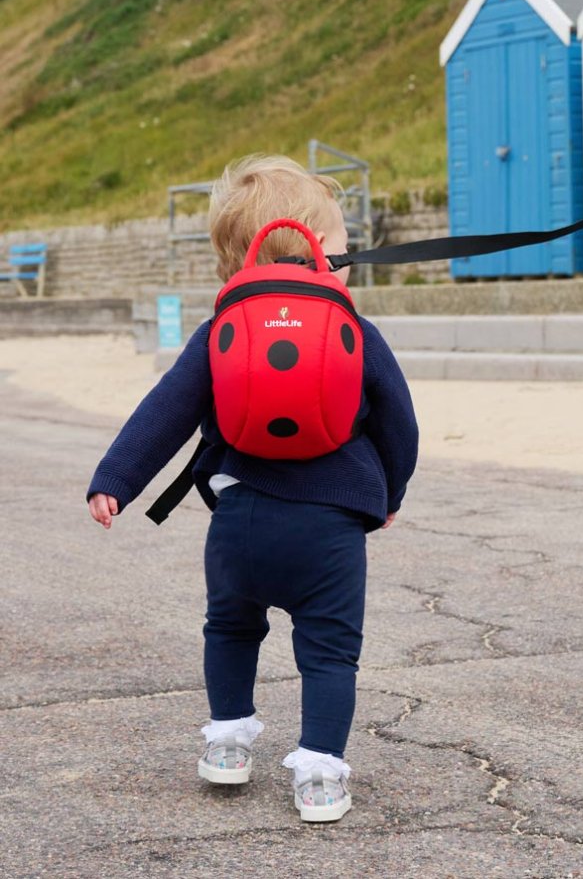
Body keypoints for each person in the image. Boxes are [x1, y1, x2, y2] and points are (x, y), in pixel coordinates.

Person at [87, 155, 419, 819]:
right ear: (320, 249)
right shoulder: (352, 328)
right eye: (341, 237)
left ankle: (229, 745)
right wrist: (390, 494)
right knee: (328, 652)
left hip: (238, 522)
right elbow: (399, 421)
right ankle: (321, 774)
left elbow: (165, 411)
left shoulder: (220, 331)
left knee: (231, 629)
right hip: (329, 529)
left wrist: (115, 481)